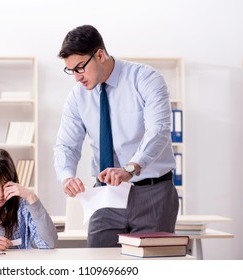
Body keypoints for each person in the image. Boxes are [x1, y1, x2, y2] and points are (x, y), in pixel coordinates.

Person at [54, 25, 179, 247]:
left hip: (152, 193)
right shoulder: (77, 97)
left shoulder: (145, 79)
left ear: (100, 55)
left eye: (80, 68)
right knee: (100, 266)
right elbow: (66, 145)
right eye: (71, 70)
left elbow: (158, 129)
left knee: (152, 269)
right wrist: (67, 176)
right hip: (106, 195)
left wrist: (130, 168)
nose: (77, 78)